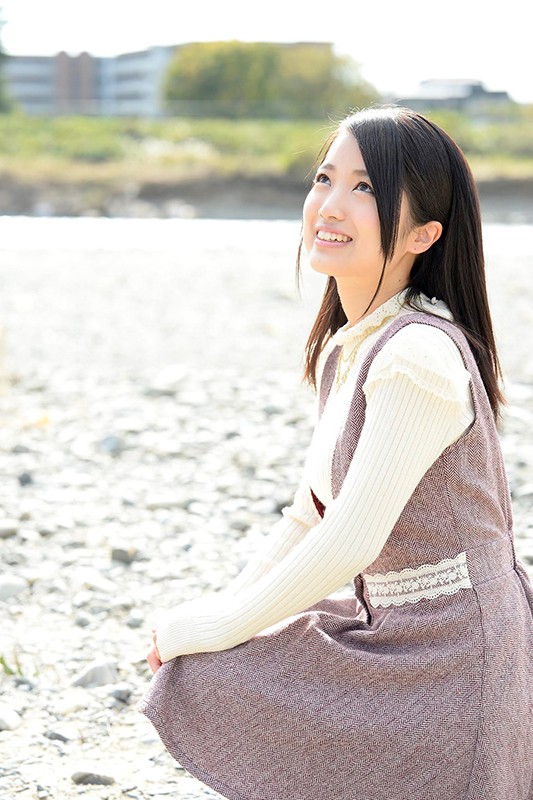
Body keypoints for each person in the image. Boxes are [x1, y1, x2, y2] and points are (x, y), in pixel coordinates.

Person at [138, 106, 533, 800]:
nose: (330, 204)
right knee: (205, 670)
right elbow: (307, 518)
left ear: (423, 234)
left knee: (215, 665)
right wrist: (215, 617)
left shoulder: (416, 352)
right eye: (325, 178)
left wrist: (217, 627)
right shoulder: (347, 351)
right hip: (392, 631)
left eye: (366, 188)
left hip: (454, 654)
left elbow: (350, 539)